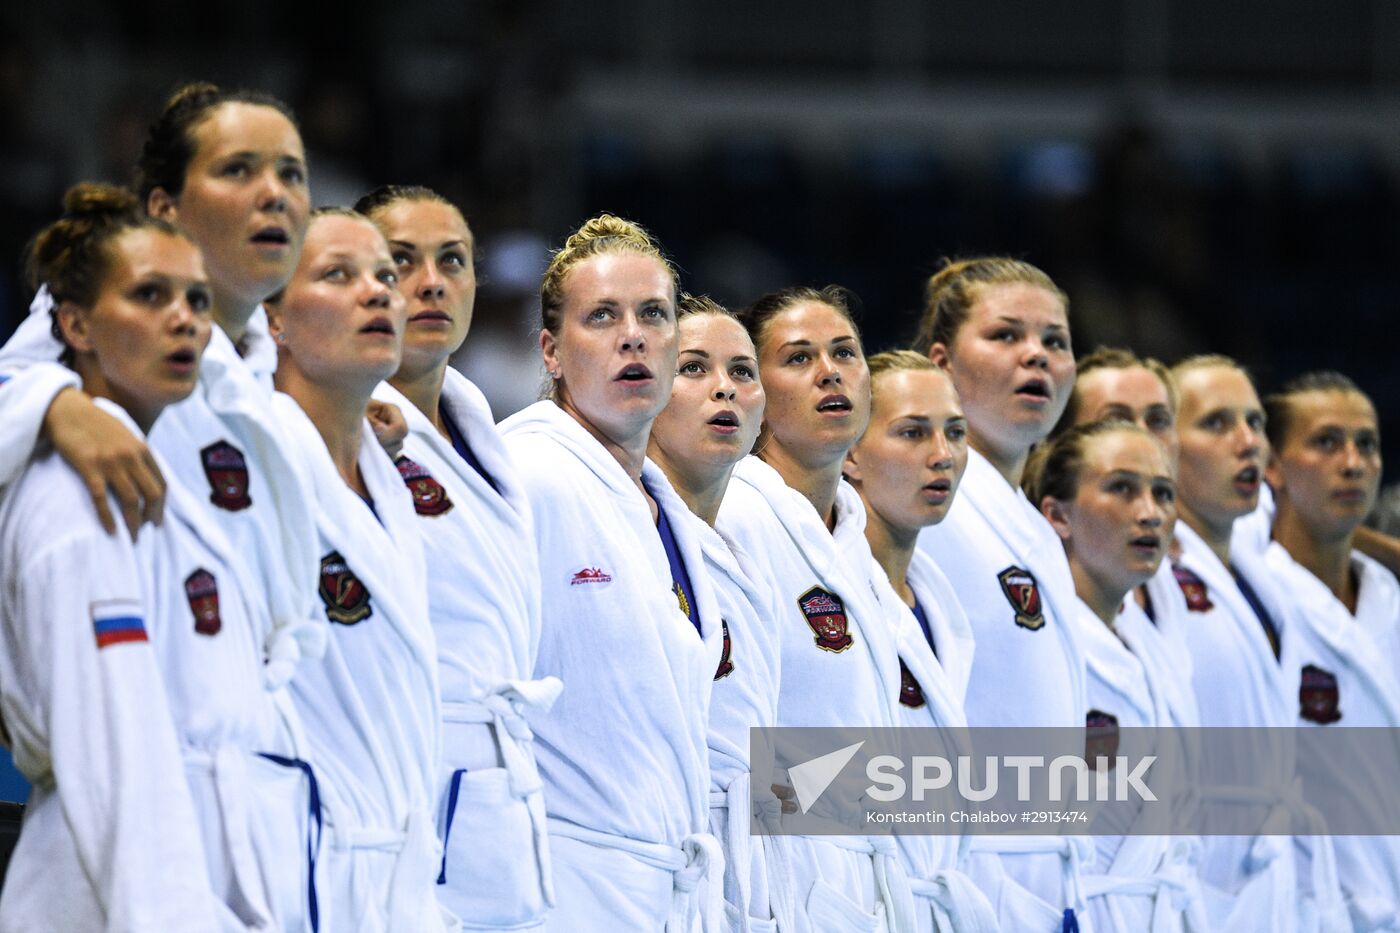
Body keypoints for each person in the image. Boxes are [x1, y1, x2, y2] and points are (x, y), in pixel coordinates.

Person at [0, 184, 310, 931]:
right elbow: (116, 755)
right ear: (73, 322)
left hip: (184, 867)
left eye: (198, 301)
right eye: (150, 295)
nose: (184, 320)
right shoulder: (79, 495)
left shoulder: (147, 466)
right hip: (116, 888)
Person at [499, 215, 722, 930]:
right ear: (551, 352)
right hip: (561, 892)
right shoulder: (519, 474)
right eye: (602, 317)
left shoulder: (669, 511)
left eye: (653, 314)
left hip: (669, 886)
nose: (633, 335)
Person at [355, 185, 558, 930]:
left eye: (453, 260)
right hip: (395, 805)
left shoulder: (489, 443)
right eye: (400, 261)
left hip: (504, 820)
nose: (432, 280)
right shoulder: (317, 423)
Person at [265, 209, 454, 931]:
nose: (383, 293)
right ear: (551, 347)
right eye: (340, 275)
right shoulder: (549, 476)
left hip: (404, 862)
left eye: (383, 276)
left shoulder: (396, 472)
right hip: (311, 855)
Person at [717, 285, 915, 933]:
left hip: (853, 875)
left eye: (845, 353)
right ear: (753, 390)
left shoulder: (850, 538)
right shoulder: (737, 515)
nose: (830, 370)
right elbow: (720, 742)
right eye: (799, 357)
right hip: (773, 882)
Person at [911, 257, 1088, 928]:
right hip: (969, 867)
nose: (1036, 355)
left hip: (1045, 871)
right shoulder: (921, 503)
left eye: (1055, 341)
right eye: (1006, 335)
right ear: (941, 362)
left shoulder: (1034, 526)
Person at [1160, 355, 1346, 932]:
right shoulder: (1151, 567)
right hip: (1202, 864)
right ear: (1164, 442)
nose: (1248, 443)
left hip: (1279, 866)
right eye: (1216, 424)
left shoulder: (1251, 552)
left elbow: (1320, 517)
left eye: (1255, 423)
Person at [843, 350, 1000, 932]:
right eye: (912, 432)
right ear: (851, 452)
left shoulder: (940, 605)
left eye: (955, 432)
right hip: (855, 899)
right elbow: (771, 784)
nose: (943, 455)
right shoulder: (820, 594)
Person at [1028, 420, 1206, 931]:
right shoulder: (1034, 644)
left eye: (1163, 493)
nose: (1150, 513)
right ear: (1058, 515)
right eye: (1122, 488)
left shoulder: (1155, 648)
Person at [648, 294, 786, 931]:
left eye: (742, 372)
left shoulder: (752, 549)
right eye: (694, 367)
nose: (724, 389)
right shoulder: (618, 524)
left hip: (747, 864)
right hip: (647, 859)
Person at [1260, 372, 1400, 925]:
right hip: (1303, 909)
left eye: (1366, 444)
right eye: (1326, 442)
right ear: (1271, 466)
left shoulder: (1389, 600)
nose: (1353, 462)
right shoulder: (1253, 596)